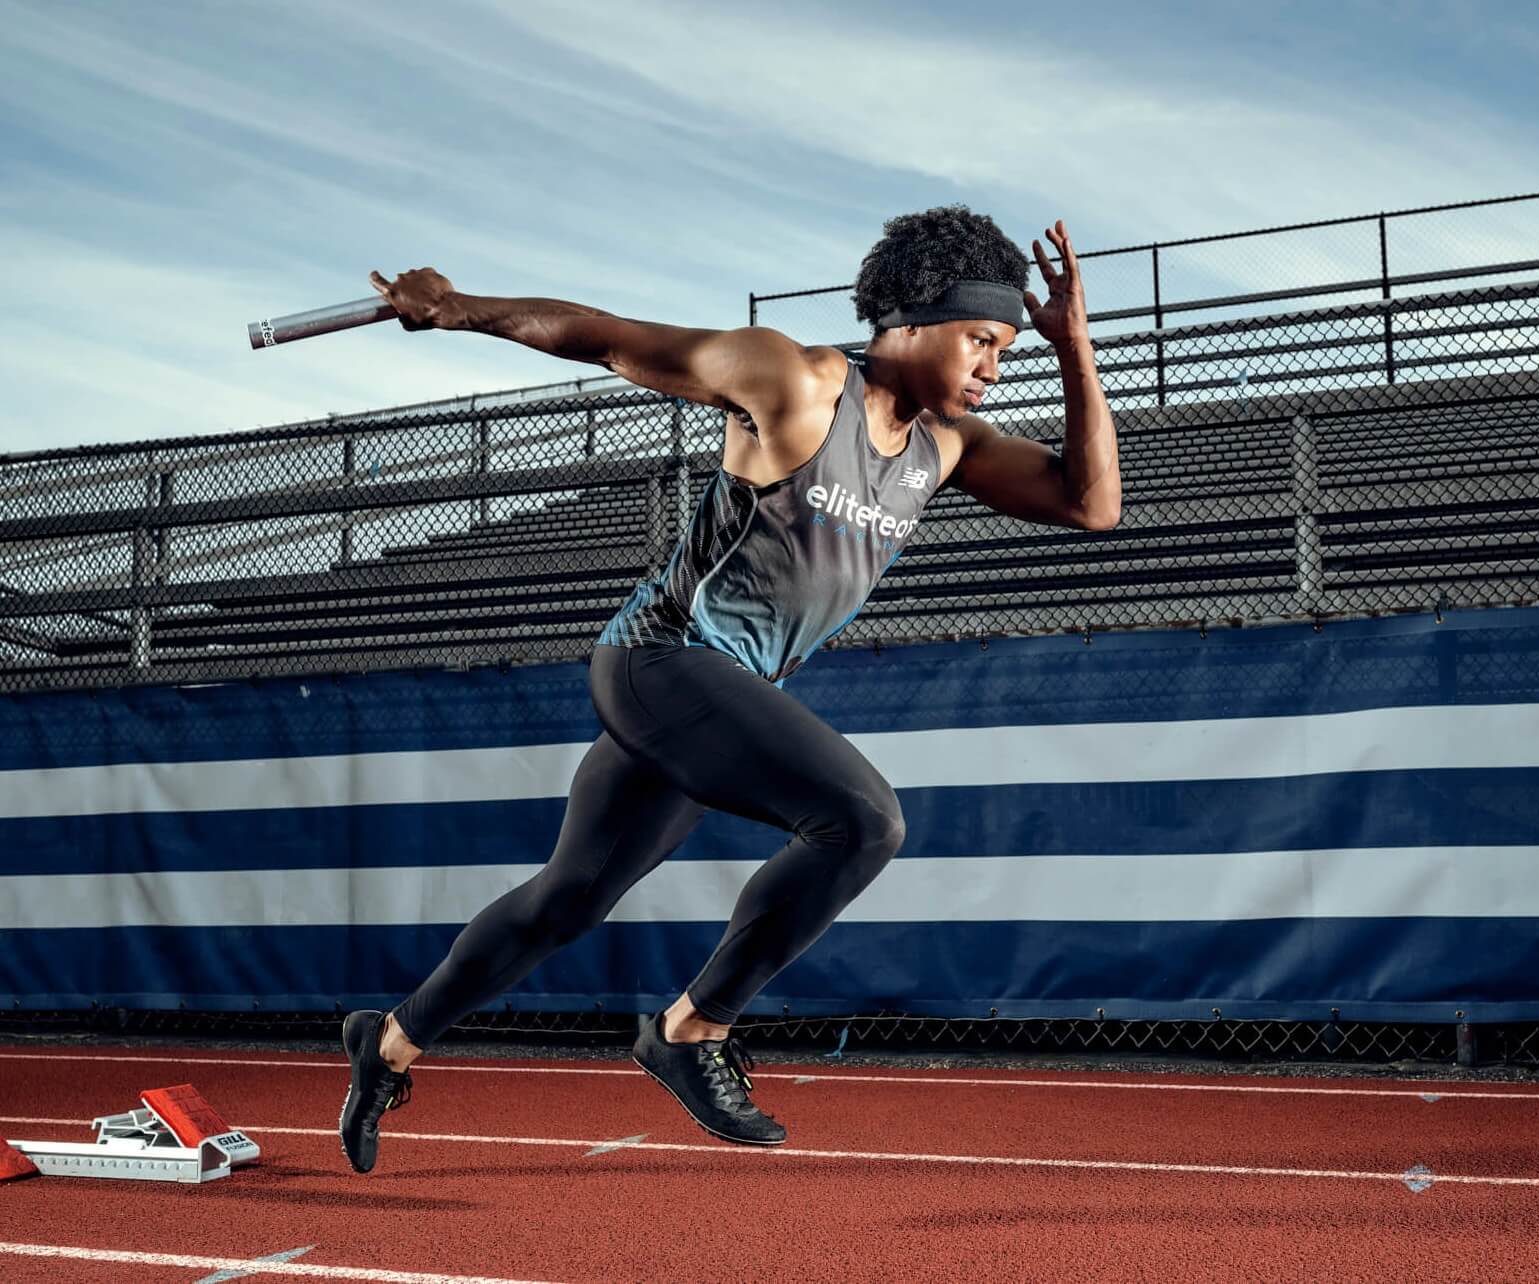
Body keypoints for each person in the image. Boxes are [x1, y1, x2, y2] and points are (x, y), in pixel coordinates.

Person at [337, 205, 1119, 1172]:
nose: (996, 366)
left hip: (720, 688)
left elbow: (1092, 505)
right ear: (912, 318)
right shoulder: (795, 381)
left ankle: (387, 1043)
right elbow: (610, 339)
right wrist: (459, 310)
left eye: (1005, 349)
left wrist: (1076, 346)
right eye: (982, 341)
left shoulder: (946, 446)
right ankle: (691, 1031)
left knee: (567, 900)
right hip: (662, 659)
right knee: (862, 821)